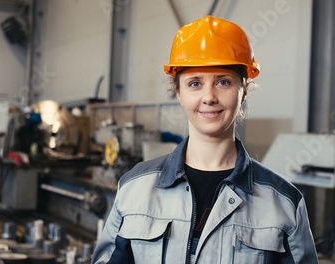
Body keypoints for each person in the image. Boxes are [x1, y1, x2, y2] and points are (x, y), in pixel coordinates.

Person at [91, 15, 318, 263]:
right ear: (178, 92)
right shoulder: (134, 189)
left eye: (223, 82)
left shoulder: (283, 202)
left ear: (243, 90)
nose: (209, 97)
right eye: (195, 83)